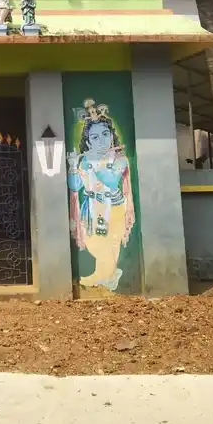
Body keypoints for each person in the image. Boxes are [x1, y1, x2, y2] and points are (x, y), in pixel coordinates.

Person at [66, 98, 135, 291]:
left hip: (113, 207)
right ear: (88, 141)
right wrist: (73, 166)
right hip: (91, 208)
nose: (102, 140)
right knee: (93, 242)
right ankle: (107, 274)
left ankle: (105, 276)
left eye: (105, 134)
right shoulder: (85, 160)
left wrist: (95, 164)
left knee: (111, 242)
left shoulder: (119, 159)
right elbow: (75, 186)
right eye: (95, 137)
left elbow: (111, 180)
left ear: (112, 136)